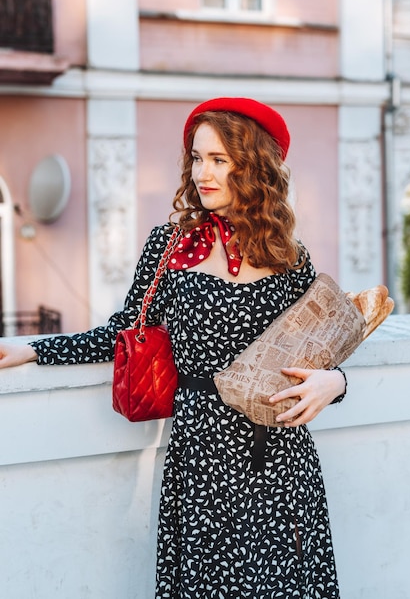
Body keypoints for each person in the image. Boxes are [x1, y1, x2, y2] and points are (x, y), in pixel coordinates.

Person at [0, 97, 346, 598]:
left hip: (280, 454)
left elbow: (323, 348)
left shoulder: (288, 254)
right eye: (197, 157)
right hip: (203, 456)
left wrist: (333, 383)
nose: (202, 172)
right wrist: (35, 349)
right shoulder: (171, 246)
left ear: (254, 167)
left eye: (219, 160)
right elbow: (124, 332)